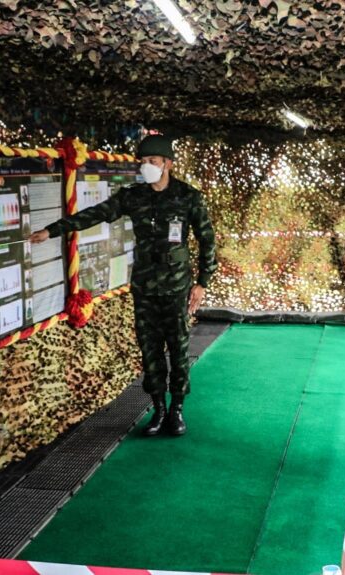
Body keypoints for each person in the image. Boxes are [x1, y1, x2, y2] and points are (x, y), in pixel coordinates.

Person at [30, 133, 217, 438]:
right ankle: (158, 409)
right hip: (145, 287)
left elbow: (207, 239)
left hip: (177, 288)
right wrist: (52, 231)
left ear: (167, 163)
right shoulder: (133, 196)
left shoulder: (188, 197)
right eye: (142, 161)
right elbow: (95, 214)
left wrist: (202, 283)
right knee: (150, 350)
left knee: (178, 350)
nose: (146, 166)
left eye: (152, 161)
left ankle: (177, 409)